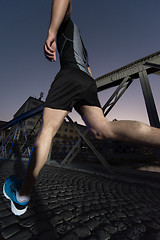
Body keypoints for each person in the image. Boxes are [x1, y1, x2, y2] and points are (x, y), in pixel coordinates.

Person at [3, 0, 160, 216]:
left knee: (47, 130)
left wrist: (51, 31)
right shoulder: (81, 44)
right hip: (87, 79)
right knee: (103, 129)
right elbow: (87, 70)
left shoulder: (66, 25)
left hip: (70, 74)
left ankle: (23, 193)